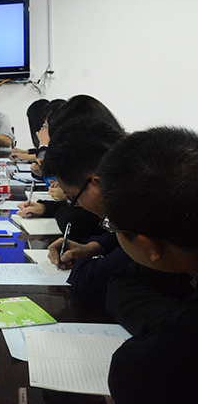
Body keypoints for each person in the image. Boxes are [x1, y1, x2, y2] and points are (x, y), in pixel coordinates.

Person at [99, 127, 198, 404]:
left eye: (111, 226)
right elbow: (123, 280)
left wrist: (172, 330)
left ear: (150, 247)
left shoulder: (148, 370)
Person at [36, 118, 129, 306]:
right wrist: (93, 247)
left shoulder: (145, 216)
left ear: (95, 184)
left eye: (72, 197)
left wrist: (82, 263)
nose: (75, 204)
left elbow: (87, 283)